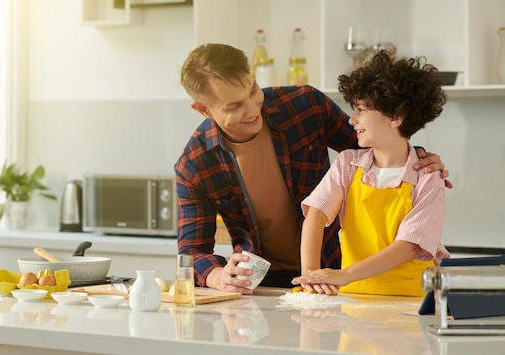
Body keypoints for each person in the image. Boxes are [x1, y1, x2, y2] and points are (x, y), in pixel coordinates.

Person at [175, 43, 450, 294]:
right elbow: (192, 251)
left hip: (336, 273)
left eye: (253, 91)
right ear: (204, 109)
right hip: (262, 282)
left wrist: (420, 160)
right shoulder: (195, 165)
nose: (252, 109)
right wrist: (218, 276)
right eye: (235, 105)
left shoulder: (306, 106)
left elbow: (374, 146)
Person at [292, 51, 449, 296]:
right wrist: (311, 277)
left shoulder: (428, 177)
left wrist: (345, 275)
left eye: (361, 109)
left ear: (396, 117)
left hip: (410, 302)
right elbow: (315, 215)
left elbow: (408, 246)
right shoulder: (347, 164)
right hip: (353, 297)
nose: (352, 119)